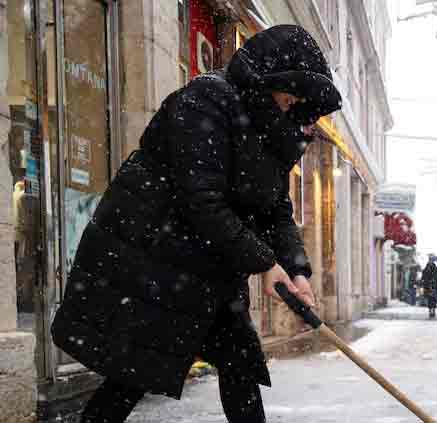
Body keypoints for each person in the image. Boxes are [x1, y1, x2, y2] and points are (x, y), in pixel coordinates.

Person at [50, 25, 342, 423]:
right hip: (157, 264)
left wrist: (296, 268)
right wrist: (263, 263)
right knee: (132, 376)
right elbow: (201, 201)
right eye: (288, 94)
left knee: (240, 367)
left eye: (298, 101)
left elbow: (275, 208)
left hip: (210, 272)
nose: (291, 105)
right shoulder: (206, 100)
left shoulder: (269, 130)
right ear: (267, 79)